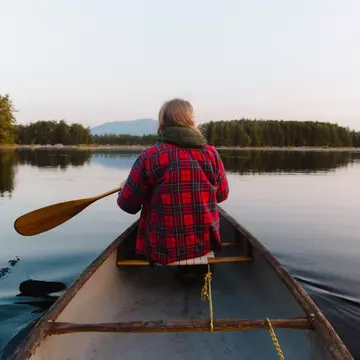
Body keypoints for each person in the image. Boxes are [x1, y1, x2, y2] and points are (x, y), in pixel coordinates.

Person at [117, 98, 229, 266]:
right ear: (191, 121)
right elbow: (221, 195)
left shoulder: (150, 156)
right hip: (203, 246)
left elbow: (127, 205)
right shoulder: (212, 154)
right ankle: (193, 271)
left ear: (163, 122)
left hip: (162, 249)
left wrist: (124, 188)